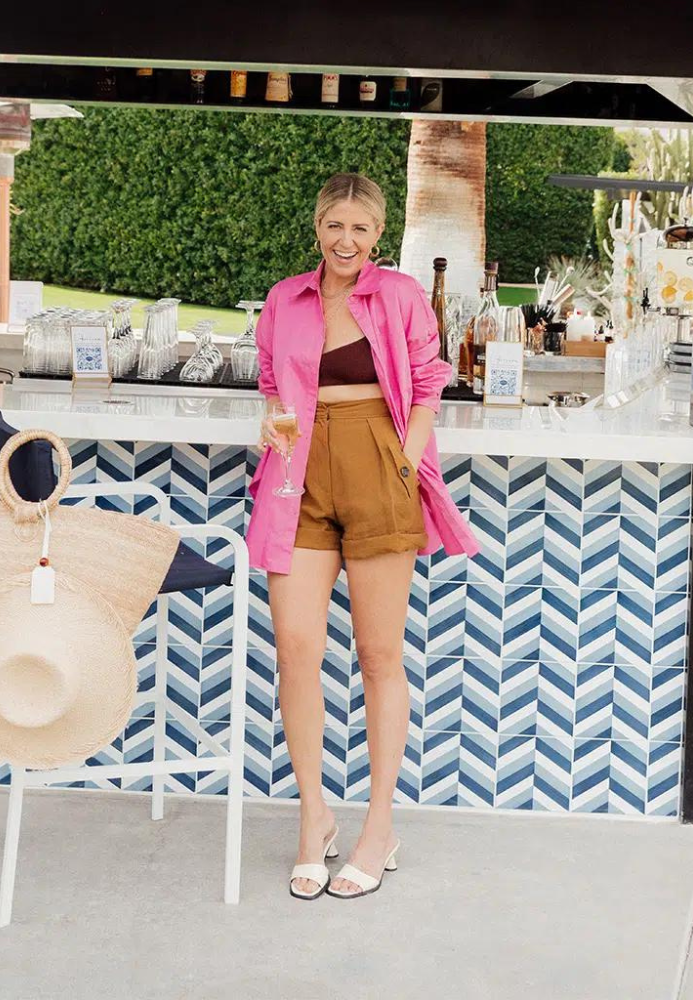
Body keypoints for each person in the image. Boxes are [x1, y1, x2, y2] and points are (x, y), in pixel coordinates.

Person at [245, 172, 480, 900]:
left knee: (379, 655)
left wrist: (403, 464)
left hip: (380, 464)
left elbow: (428, 383)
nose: (346, 240)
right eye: (333, 226)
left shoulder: (400, 296)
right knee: (296, 648)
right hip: (297, 475)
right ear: (316, 227)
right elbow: (270, 382)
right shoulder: (285, 298)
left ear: (378, 234)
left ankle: (379, 825)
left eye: (360, 228)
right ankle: (314, 818)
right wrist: (274, 419)